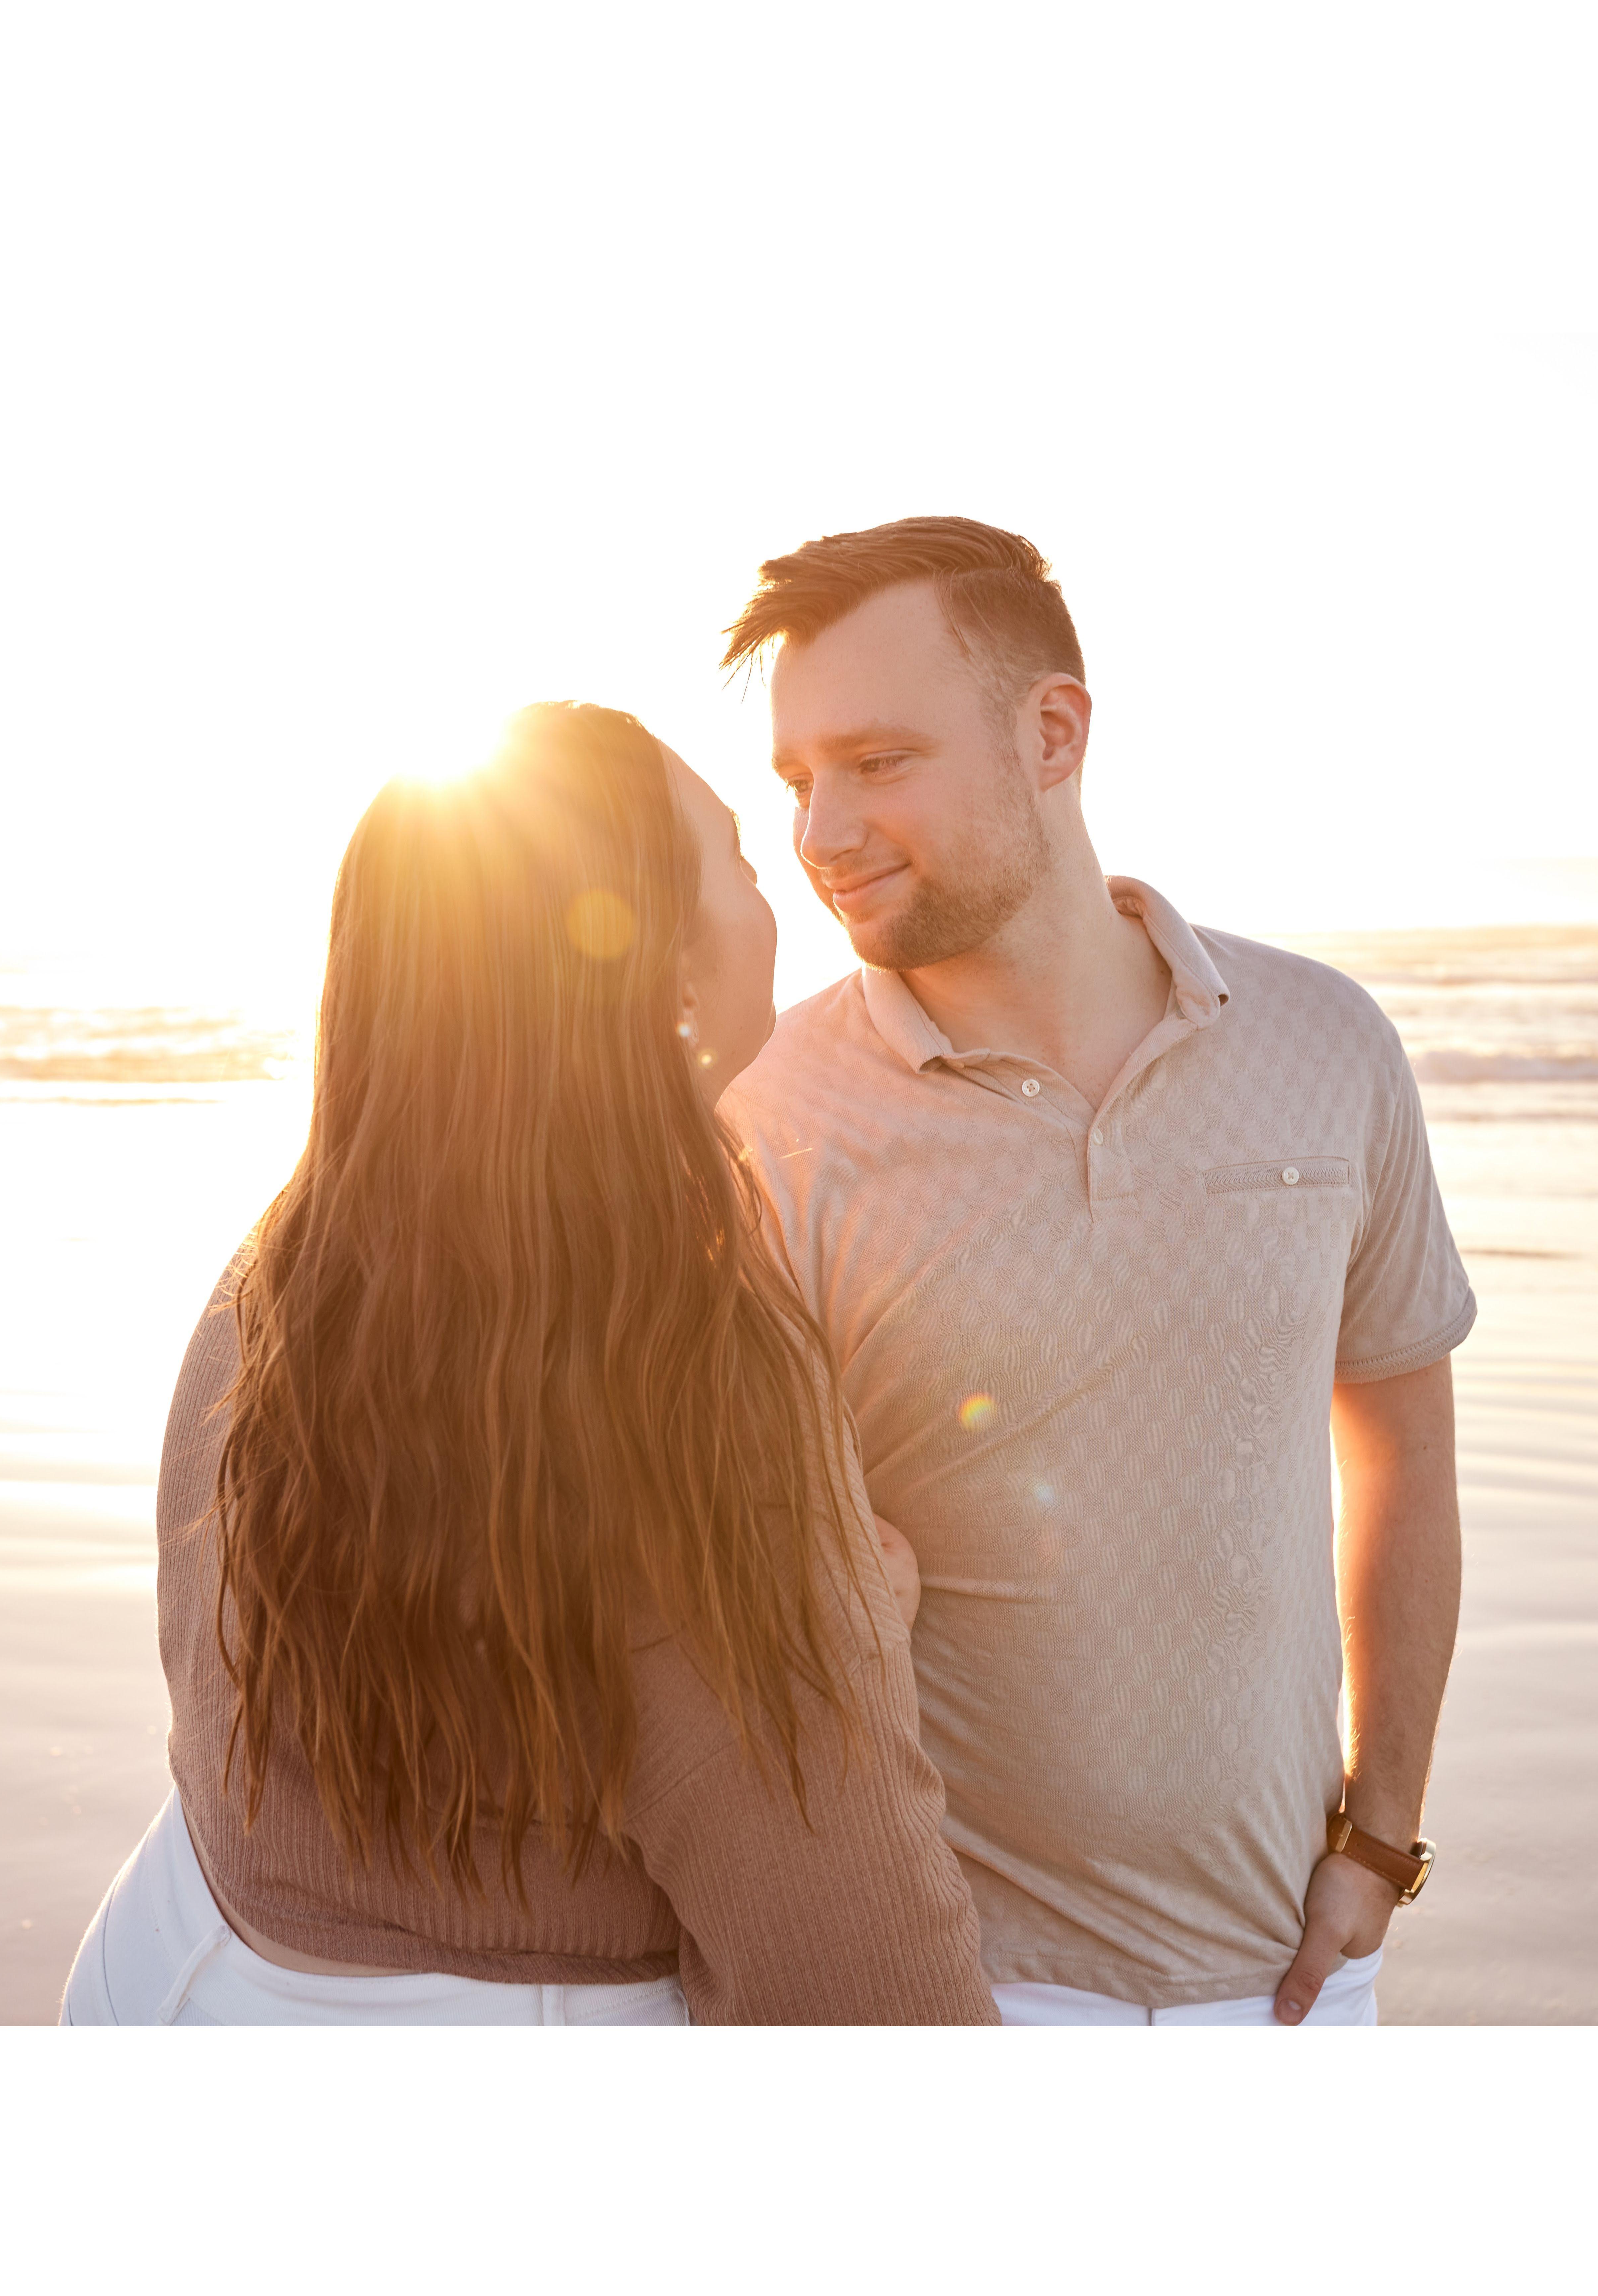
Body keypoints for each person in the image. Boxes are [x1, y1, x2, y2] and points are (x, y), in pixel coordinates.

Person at [63, 702, 997, 2026]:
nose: (777, 882)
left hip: (165, 1958)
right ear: (654, 965)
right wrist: (843, 1647)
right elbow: (864, 1979)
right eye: (733, 859)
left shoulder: (304, 1252)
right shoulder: (684, 1367)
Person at [722, 517, 1473, 2028]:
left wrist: (1378, 1845)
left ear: (1050, 732)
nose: (820, 832)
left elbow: (1401, 1448)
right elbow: (743, 1593)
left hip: (1294, 1972)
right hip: (952, 1979)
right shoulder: (771, 1116)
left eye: (878, 761)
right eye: (799, 780)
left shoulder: (1325, 1044)